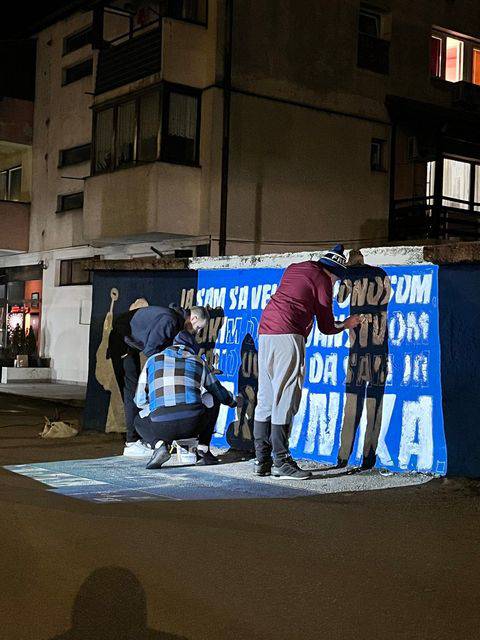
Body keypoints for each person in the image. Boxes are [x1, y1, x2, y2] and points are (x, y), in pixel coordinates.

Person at [253, 244, 363, 480]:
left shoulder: (295, 268)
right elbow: (326, 325)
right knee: (286, 396)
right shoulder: (323, 280)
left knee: (266, 397)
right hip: (288, 334)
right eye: (336, 280)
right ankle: (281, 462)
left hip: (265, 331)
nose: (334, 284)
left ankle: (261, 460)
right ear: (334, 273)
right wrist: (347, 324)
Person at [107, 303, 209, 457]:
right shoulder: (170, 320)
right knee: (131, 393)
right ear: (193, 318)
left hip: (130, 341)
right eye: (199, 328)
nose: (197, 332)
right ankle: (131, 442)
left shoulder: (175, 320)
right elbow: (151, 350)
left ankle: (138, 439)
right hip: (122, 340)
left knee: (134, 391)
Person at [133, 331, 238, 469]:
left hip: (161, 427)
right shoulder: (198, 361)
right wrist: (233, 402)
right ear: (192, 348)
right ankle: (203, 450)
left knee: (137, 420)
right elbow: (221, 394)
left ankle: (159, 446)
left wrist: (158, 406)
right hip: (193, 424)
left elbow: (139, 401)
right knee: (211, 397)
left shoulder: (152, 360)